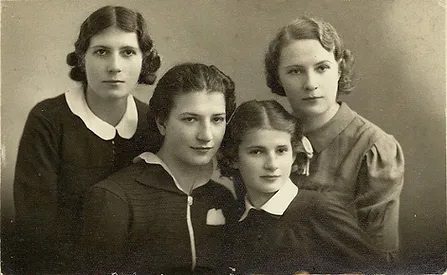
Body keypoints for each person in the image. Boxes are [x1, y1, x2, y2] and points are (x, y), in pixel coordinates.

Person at [13, 6, 161, 273]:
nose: (115, 66)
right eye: (101, 51)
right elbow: (36, 230)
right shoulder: (48, 120)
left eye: (128, 52)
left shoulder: (154, 123)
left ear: (144, 60)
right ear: (82, 59)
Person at [264, 16, 405, 271]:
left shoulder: (374, 148)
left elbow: (382, 264)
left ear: (339, 69)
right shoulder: (267, 139)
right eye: (295, 71)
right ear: (279, 77)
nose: (310, 84)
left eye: (322, 68)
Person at [81, 63, 239, 274]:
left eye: (217, 119)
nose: (206, 135)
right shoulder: (114, 198)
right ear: (161, 122)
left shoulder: (222, 198)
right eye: (190, 119)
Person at [219, 99, 385, 274]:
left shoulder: (319, 210)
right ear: (234, 158)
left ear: (293, 155)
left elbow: (382, 270)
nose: (272, 164)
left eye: (281, 150)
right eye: (257, 152)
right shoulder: (234, 214)